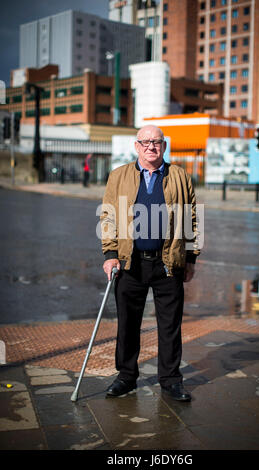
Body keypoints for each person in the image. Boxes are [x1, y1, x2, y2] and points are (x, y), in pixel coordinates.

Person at [100, 125, 200, 401]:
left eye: (156, 142)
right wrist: (110, 255)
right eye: (145, 142)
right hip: (129, 263)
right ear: (137, 146)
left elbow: (193, 219)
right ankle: (126, 377)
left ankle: (170, 380)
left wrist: (191, 258)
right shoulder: (119, 176)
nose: (151, 147)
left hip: (167, 263)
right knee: (127, 324)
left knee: (169, 326)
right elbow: (108, 217)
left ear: (164, 146)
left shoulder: (179, 175)